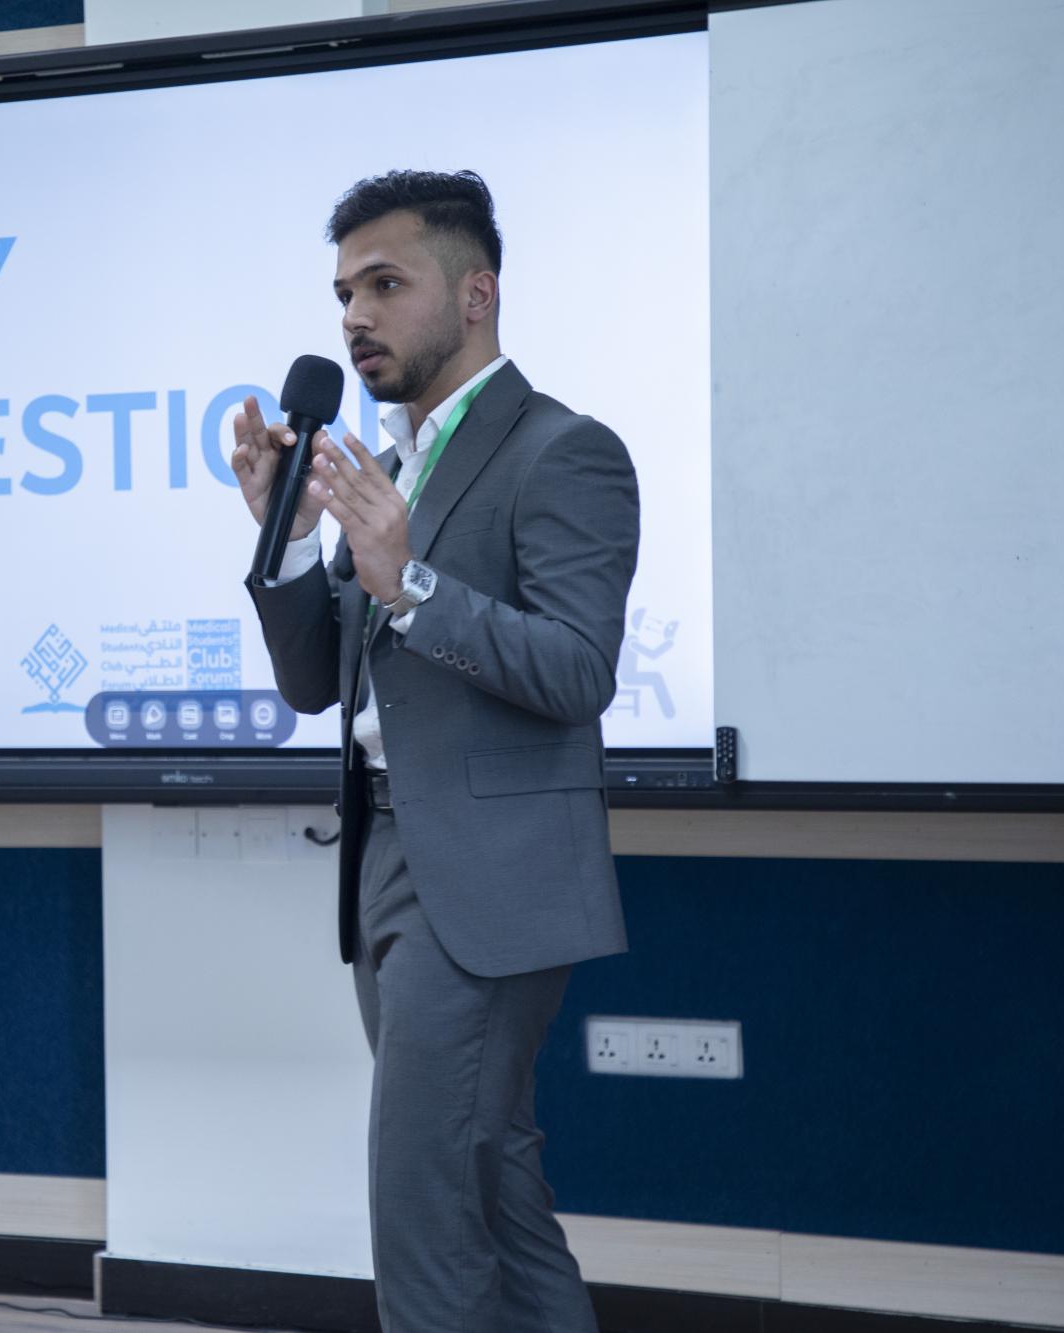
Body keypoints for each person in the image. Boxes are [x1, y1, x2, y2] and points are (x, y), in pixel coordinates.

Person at [232, 169, 639, 1333]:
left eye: (383, 284)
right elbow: (318, 683)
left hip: (488, 870)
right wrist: (288, 538)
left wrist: (407, 581)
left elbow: (576, 671)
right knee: (485, 1179)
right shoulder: (394, 462)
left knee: (422, 1197)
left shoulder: (563, 451)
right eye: (342, 293)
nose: (354, 316)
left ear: (474, 295)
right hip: (386, 857)